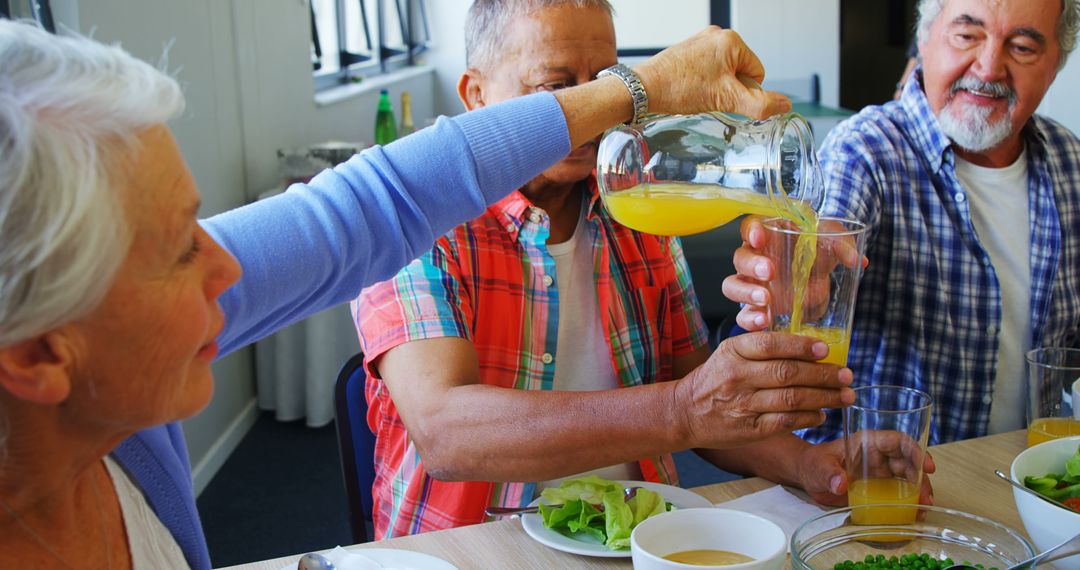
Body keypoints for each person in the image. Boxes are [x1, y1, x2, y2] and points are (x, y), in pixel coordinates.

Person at [0, 17, 810, 570]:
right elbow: (448, 425)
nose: (226, 270)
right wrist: (684, 406)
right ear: (41, 353)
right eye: (181, 249)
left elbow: (371, 206)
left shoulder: (117, 425)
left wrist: (636, 91)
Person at [353, 0, 933, 540]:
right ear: (475, 95)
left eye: (607, 84)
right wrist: (682, 409)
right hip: (470, 549)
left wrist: (807, 462)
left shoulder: (636, 209)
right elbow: (445, 432)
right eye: (557, 87)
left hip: (638, 541)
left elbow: (702, 393)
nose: (589, 110)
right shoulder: (418, 215)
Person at [723, 0, 1080, 444]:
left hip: (1028, 482)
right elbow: (830, 230)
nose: (989, 68)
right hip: (882, 485)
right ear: (925, 40)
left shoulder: (1070, 162)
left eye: (1022, 47)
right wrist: (804, 278)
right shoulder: (866, 149)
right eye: (967, 36)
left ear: (1055, 65)